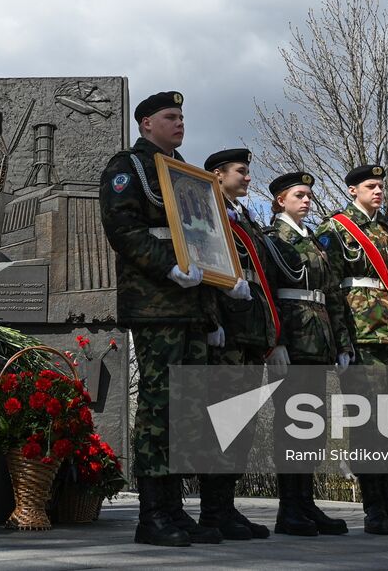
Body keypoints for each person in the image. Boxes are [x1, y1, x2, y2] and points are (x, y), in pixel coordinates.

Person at [98, 92, 251, 547]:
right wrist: (167, 263)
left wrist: (216, 300)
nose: (179, 122)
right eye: (170, 116)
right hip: (157, 302)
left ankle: (177, 512)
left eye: (183, 116)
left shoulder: (187, 174)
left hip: (192, 307)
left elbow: (206, 238)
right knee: (159, 408)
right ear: (146, 123)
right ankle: (153, 514)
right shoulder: (130, 167)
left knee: (187, 414)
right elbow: (121, 228)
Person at [315, 164, 388, 536]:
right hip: (360, 336)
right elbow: (330, 289)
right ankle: (373, 508)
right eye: (371, 186)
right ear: (353, 190)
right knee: (367, 423)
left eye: (382, 185)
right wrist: (341, 341)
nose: (379, 191)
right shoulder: (334, 229)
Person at [266, 171, 352, 537]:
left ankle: (306, 503)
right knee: (292, 426)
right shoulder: (272, 240)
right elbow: (269, 291)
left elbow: (332, 294)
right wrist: (276, 341)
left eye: (309, 196)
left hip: (318, 341)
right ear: (280, 200)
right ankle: (289, 509)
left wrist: (343, 342)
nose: (306, 201)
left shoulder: (314, 241)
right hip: (293, 341)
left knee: (311, 427)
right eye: (299, 195)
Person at [200, 147, 279, 540]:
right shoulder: (205, 213)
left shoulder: (245, 218)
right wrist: (211, 320)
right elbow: (203, 268)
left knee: (242, 426)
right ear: (217, 175)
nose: (248, 178)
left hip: (249, 333)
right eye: (241, 172)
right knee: (223, 425)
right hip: (226, 334)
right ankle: (212, 511)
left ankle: (227, 508)